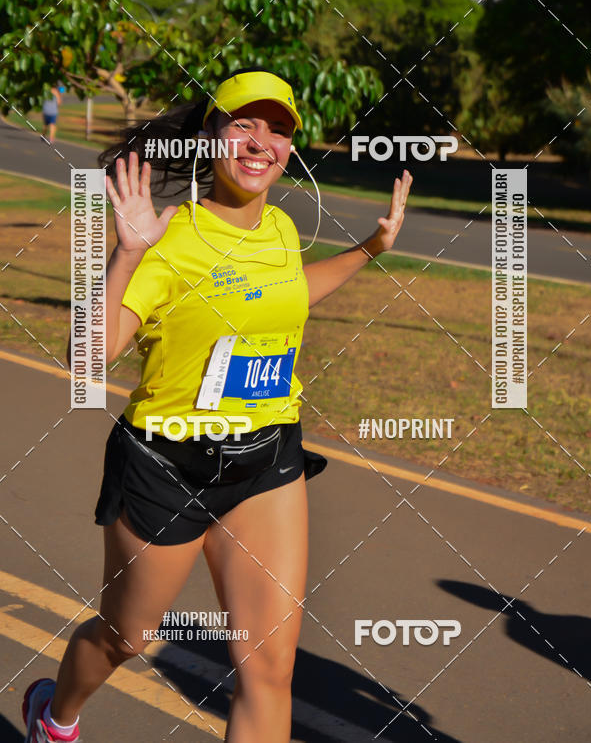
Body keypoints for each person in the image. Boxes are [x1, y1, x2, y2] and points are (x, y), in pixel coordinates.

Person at [22, 68, 413, 743]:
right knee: (128, 636)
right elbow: (86, 361)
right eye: (244, 123)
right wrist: (127, 252)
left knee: (267, 672)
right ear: (209, 138)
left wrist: (369, 249)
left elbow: (289, 291)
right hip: (166, 467)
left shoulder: (283, 231)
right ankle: (56, 717)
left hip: (265, 463)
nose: (263, 140)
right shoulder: (169, 238)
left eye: (279, 127)